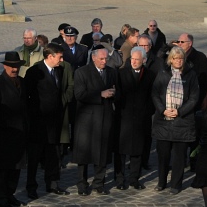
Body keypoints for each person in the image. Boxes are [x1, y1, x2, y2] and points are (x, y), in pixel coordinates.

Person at [24, 43, 73, 199]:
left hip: (55, 122)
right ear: (50, 56)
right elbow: (26, 96)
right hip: (38, 123)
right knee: (35, 157)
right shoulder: (35, 71)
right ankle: (31, 186)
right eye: (59, 56)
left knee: (54, 154)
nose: (62, 59)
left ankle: (52, 183)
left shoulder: (59, 70)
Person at [0, 52, 29, 207]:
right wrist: (6, 120)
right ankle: (1, 198)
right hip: (4, 132)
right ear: (5, 66)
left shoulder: (22, 82)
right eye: (11, 66)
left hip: (20, 132)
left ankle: (10, 194)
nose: (14, 69)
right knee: (3, 168)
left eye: (17, 66)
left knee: (16, 167)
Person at [151, 46, 199, 194]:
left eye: (181, 58)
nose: (178, 61)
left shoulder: (191, 75)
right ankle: (161, 182)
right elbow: (155, 93)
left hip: (182, 121)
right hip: (164, 120)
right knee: (163, 154)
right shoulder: (163, 73)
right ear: (170, 59)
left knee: (179, 156)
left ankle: (176, 184)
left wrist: (179, 112)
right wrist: (163, 109)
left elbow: (194, 97)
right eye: (175, 58)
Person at [73, 46, 119, 196]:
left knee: (103, 152)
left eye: (106, 59)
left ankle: (99, 183)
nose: (104, 61)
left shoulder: (112, 72)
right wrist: (100, 94)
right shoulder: (82, 72)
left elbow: (119, 91)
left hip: (105, 117)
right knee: (84, 153)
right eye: (101, 59)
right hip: (87, 119)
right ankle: (82, 183)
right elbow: (79, 94)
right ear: (93, 58)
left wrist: (114, 94)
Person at [115, 47, 154, 190]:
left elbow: (152, 96)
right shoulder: (121, 73)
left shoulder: (150, 75)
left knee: (137, 150)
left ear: (144, 60)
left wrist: (147, 112)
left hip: (141, 119)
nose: (134, 62)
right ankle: (119, 179)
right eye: (132, 58)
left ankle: (134, 179)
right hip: (123, 118)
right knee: (121, 151)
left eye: (137, 59)